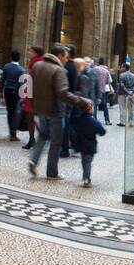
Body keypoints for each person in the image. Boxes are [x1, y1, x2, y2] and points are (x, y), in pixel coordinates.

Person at [28, 47, 93, 180]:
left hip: (40, 110)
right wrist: (81, 101)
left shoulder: (37, 65)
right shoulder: (59, 70)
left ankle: (33, 160)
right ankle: (52, 173)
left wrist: (34, 106)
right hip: (55, 111)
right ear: (60, 55)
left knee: (42, 136)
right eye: (65, 56)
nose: (66, 59)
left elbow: (30, 87)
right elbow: (62, 92)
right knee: (56, 142)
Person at [69, 99, 107, 189]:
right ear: (90, 109)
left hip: (81, 144)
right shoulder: (94, 121)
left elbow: (71, 122)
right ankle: (87, 178)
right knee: (87, 161)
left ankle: (85, 176)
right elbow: (102, 131)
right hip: (90, 146)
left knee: (84, 160)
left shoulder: (78, 119)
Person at [1, 50, 24, 140]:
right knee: (16, 112)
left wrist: (0, 91)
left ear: (11, 57)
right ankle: (13, 133)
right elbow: (21, 84)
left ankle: (11, 132)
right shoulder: (21, 69)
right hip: (16, 92)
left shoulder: (6, 67)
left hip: (7, 91)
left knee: (9, 112)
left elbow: (2, 80)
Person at [119, 61, 134, 126]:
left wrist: (127, 91)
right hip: (131, 94)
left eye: (121, 67)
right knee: (130, 109)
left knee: (122, 108)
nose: (121, 68)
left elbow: (122, 85)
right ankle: (131, 122)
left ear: (124, 68)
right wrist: (132, 91)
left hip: (123, 94)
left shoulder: (121, 75)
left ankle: (123, 122)